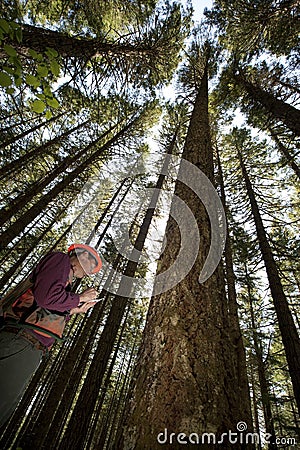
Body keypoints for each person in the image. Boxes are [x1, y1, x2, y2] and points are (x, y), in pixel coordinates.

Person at [0, 243, 102, 427]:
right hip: (22, 341)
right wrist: (80, 298)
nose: (88, 265)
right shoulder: (60, 260)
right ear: (74, 254)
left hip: (26, 345)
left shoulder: (64, 286)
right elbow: (46, 297)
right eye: (86, 258)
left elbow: (47, 309)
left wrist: (75, 310)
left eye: (92, 265)